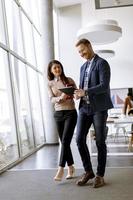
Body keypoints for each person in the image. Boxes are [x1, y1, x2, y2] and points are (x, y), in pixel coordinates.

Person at [74, 38, 113, 188]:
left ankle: (100, 175)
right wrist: (77, 93)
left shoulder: (102, 63)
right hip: (84, 107)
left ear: (89, 46)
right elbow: (82, 87)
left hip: (99, 108)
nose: (81, 54)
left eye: (83, 50)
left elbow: (104, 85)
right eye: (79, 52)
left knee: (99, 141)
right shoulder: (83, 67)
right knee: (78, 139)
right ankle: (88, 171)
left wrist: (86, 91)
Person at [47, 59, 77, 181]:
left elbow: (76, 94)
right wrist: (60, 98)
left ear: (61, 68)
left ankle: (60, 168)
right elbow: (51, 99)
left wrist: (74, 94)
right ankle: (71, 167)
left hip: (71, 112)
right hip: (58, 114)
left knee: (65, 140)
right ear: (51, 71)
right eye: (55, 68)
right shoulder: (50, 84)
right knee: (65, 142)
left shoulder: (69, 80)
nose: (57, 69)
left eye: (59, 67)